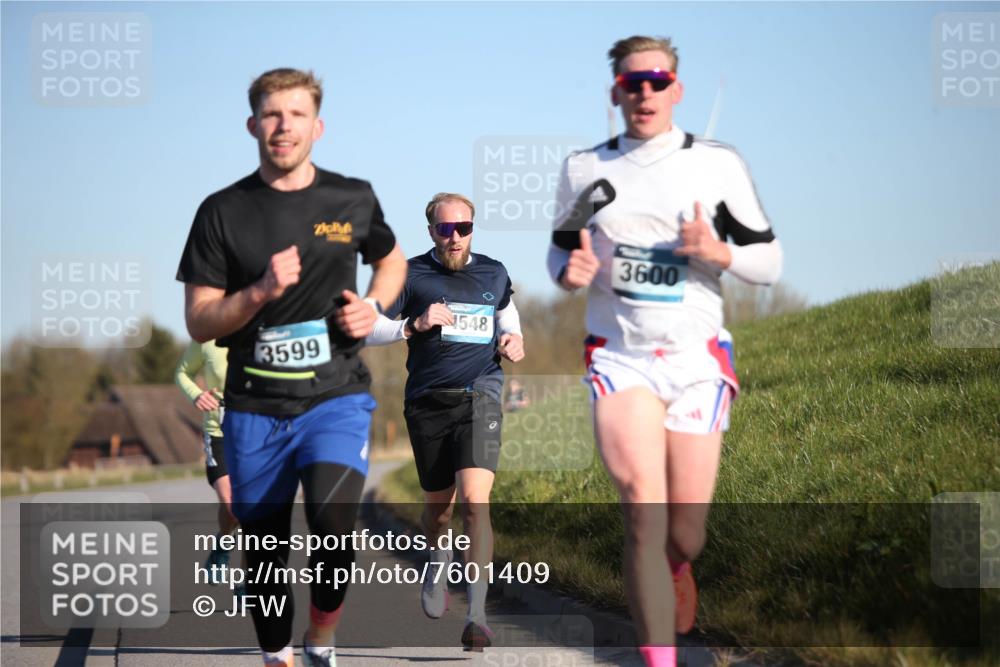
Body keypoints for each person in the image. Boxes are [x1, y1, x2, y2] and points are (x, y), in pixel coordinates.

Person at [546, 36, 782, 667]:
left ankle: (679, 566)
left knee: (685, 533)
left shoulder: (716, 164)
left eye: (656, 80)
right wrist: (570, 272)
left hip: (697, 360)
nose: (644, 92)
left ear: (676, 88)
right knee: (644, 516)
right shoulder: (586, 169)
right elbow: (560, 252)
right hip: (619, 356)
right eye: (632, 83)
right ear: (616, 92)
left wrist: (718, 252)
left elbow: (770, 261)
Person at [176, 68, 407, 667]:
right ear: (253, 124)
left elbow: (392, 261)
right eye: (272, 114)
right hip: (254, 405)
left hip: (336, 396)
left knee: (333, 526)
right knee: (264, 550)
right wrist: (258, 292)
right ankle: (277, 655)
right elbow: (199, 319)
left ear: (317, 127)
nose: (284, 126)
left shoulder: (352, 197)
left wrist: (373, 305)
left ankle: (322, 638)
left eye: (297, 114)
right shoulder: (221, 211)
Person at [366, 192, 525, 651]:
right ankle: (437, 560)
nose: (455, 237)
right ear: (431, 231)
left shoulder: (493, 272)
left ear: (473, 228)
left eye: (463, 228)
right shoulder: (410, 275)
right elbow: (368, 326)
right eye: (445, 229)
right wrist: (412, 325)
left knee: (476, 502)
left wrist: (514, 338)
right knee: (439, 512)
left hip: (481, 397)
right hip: (428, 404)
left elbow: (507, 317)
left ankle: (477, 614)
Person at [173, 339, 246, 594]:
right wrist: (196, 394)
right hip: (218, 433)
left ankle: (247, 582)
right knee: (232, 507)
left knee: (253, 510)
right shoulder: (207, 338)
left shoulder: (259, 331)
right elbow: (182, 372)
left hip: (255, 434)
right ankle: (224, 544)